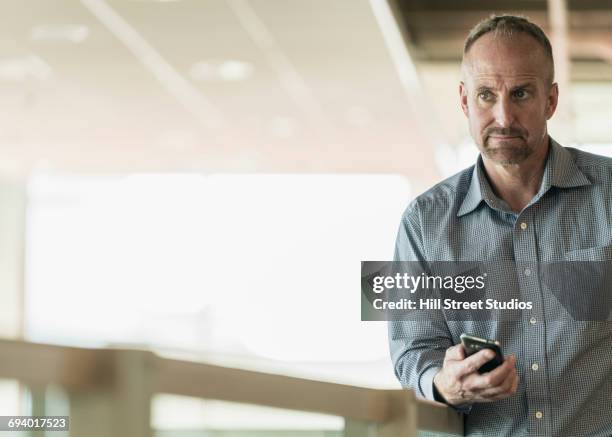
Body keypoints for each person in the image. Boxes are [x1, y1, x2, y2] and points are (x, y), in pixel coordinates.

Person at [389, 15, 612, 437]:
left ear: (550, 100)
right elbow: (410, 351)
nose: (504, 116)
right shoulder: (422, 222)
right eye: (486, 95)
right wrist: (444, 382)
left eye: (521, 93)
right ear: (463, 100)